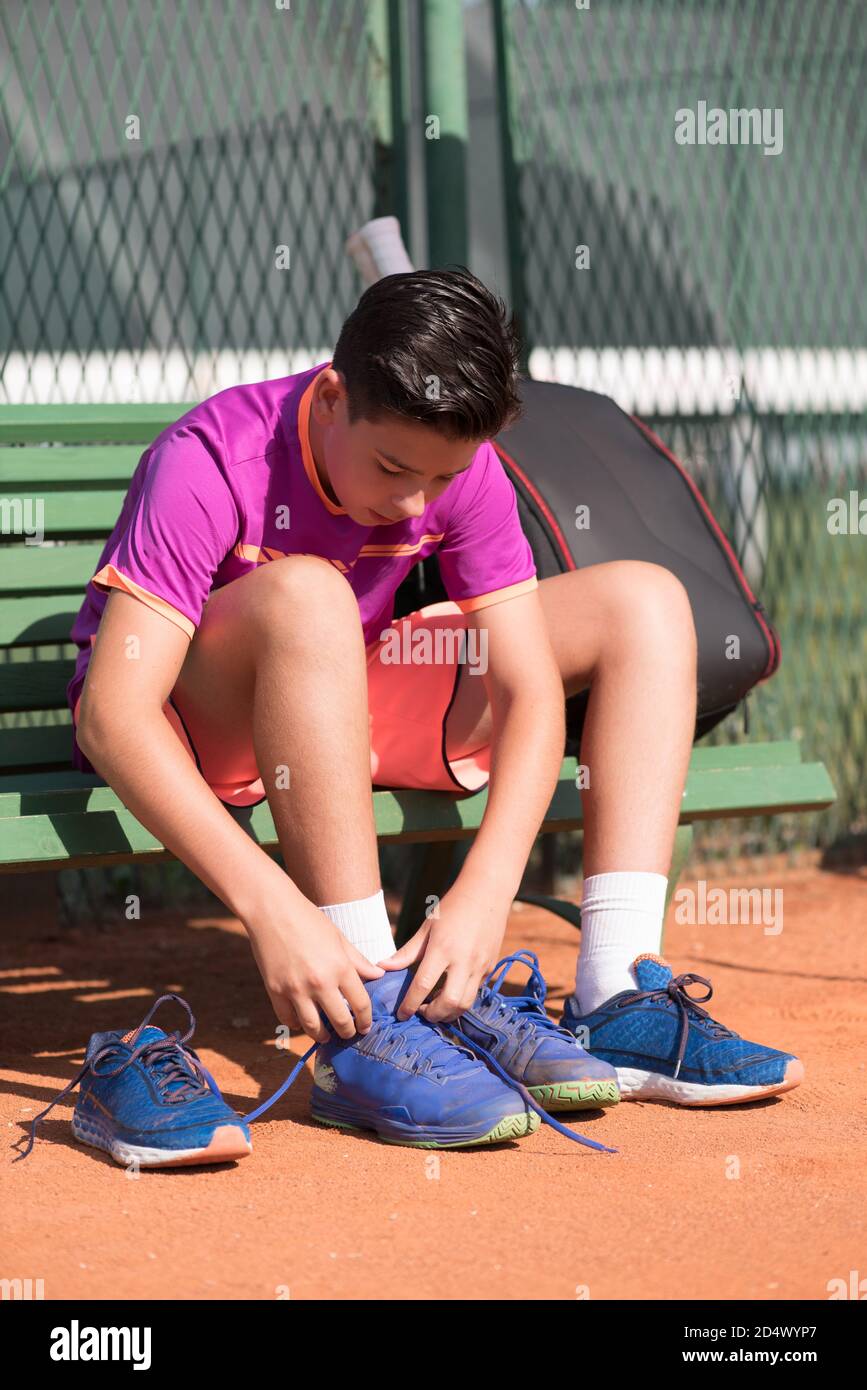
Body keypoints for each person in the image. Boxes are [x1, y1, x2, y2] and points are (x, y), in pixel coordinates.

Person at [45, 267, 802, 1166]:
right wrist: (273, 908)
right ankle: (362, 1019)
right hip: (193, 726)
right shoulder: (209, 457)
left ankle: (616, 992)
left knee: (642, 601)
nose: (415, 502)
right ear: (331, 396)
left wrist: (485, 892)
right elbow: (112, 717)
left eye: (440, 475)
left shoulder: (458, 469)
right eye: (394, 467)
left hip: (337, 695)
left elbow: (523, 692)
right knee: (307, 594)